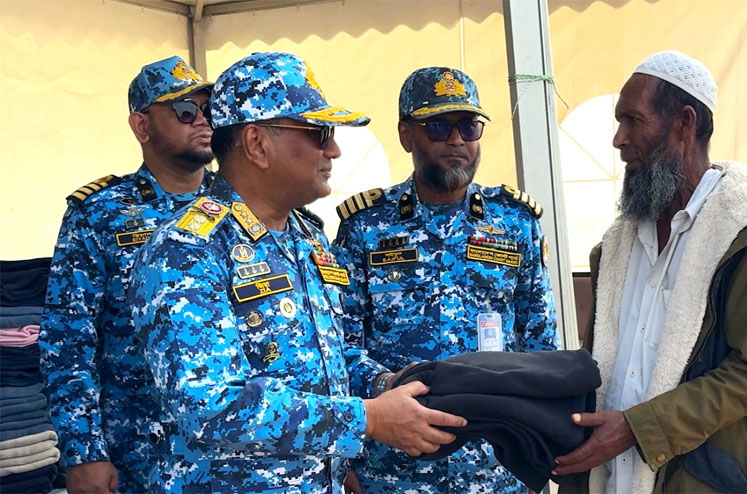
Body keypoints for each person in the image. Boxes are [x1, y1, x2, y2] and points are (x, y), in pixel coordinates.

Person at [127, 52, 467, 493]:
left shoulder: (307, 237)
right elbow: (208, 405)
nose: (334, 150)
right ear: (256, 144)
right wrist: (369, 418)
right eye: (317, 133)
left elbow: (330, 359)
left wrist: (392, 382)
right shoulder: (186, 250)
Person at [554, 50, 747, 493]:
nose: (617, 140)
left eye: (632, 121)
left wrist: (638, 429)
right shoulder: (617, 246)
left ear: (684, 124)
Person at [334, 66, 560, 493]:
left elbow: (539, 346)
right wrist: (385, 394)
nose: (457, 140)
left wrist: (536, 451)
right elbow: (340, 346)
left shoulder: (515, 222)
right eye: (438, 126)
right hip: (395, 468)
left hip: (496, 468)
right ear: (406, 136)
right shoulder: (366, 228)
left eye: (469, 126)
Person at [38, 56, 215, 494]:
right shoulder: (100, 213)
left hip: (239, 456)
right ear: (142, 126)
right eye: (185, 111)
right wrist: (85, 452)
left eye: (208, 109)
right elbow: (67, 339)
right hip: (140, 456)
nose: (203, 121)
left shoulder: (244, 205)